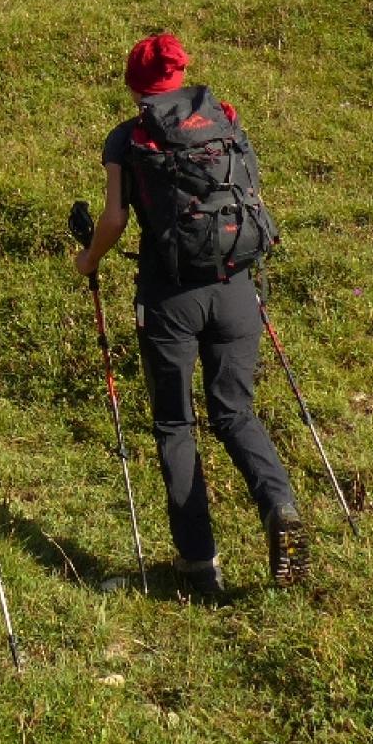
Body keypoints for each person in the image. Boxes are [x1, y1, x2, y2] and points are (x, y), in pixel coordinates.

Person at [72, 31, 304, 594]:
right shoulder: (223, 119)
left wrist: (89, 259)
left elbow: (114, 220)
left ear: (135, 85)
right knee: (236, 413)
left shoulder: (129, 136)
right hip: (236, 287)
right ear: (179, 76)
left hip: (169, 297)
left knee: (176, 424)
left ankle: (199, 565)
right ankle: (279, 505)